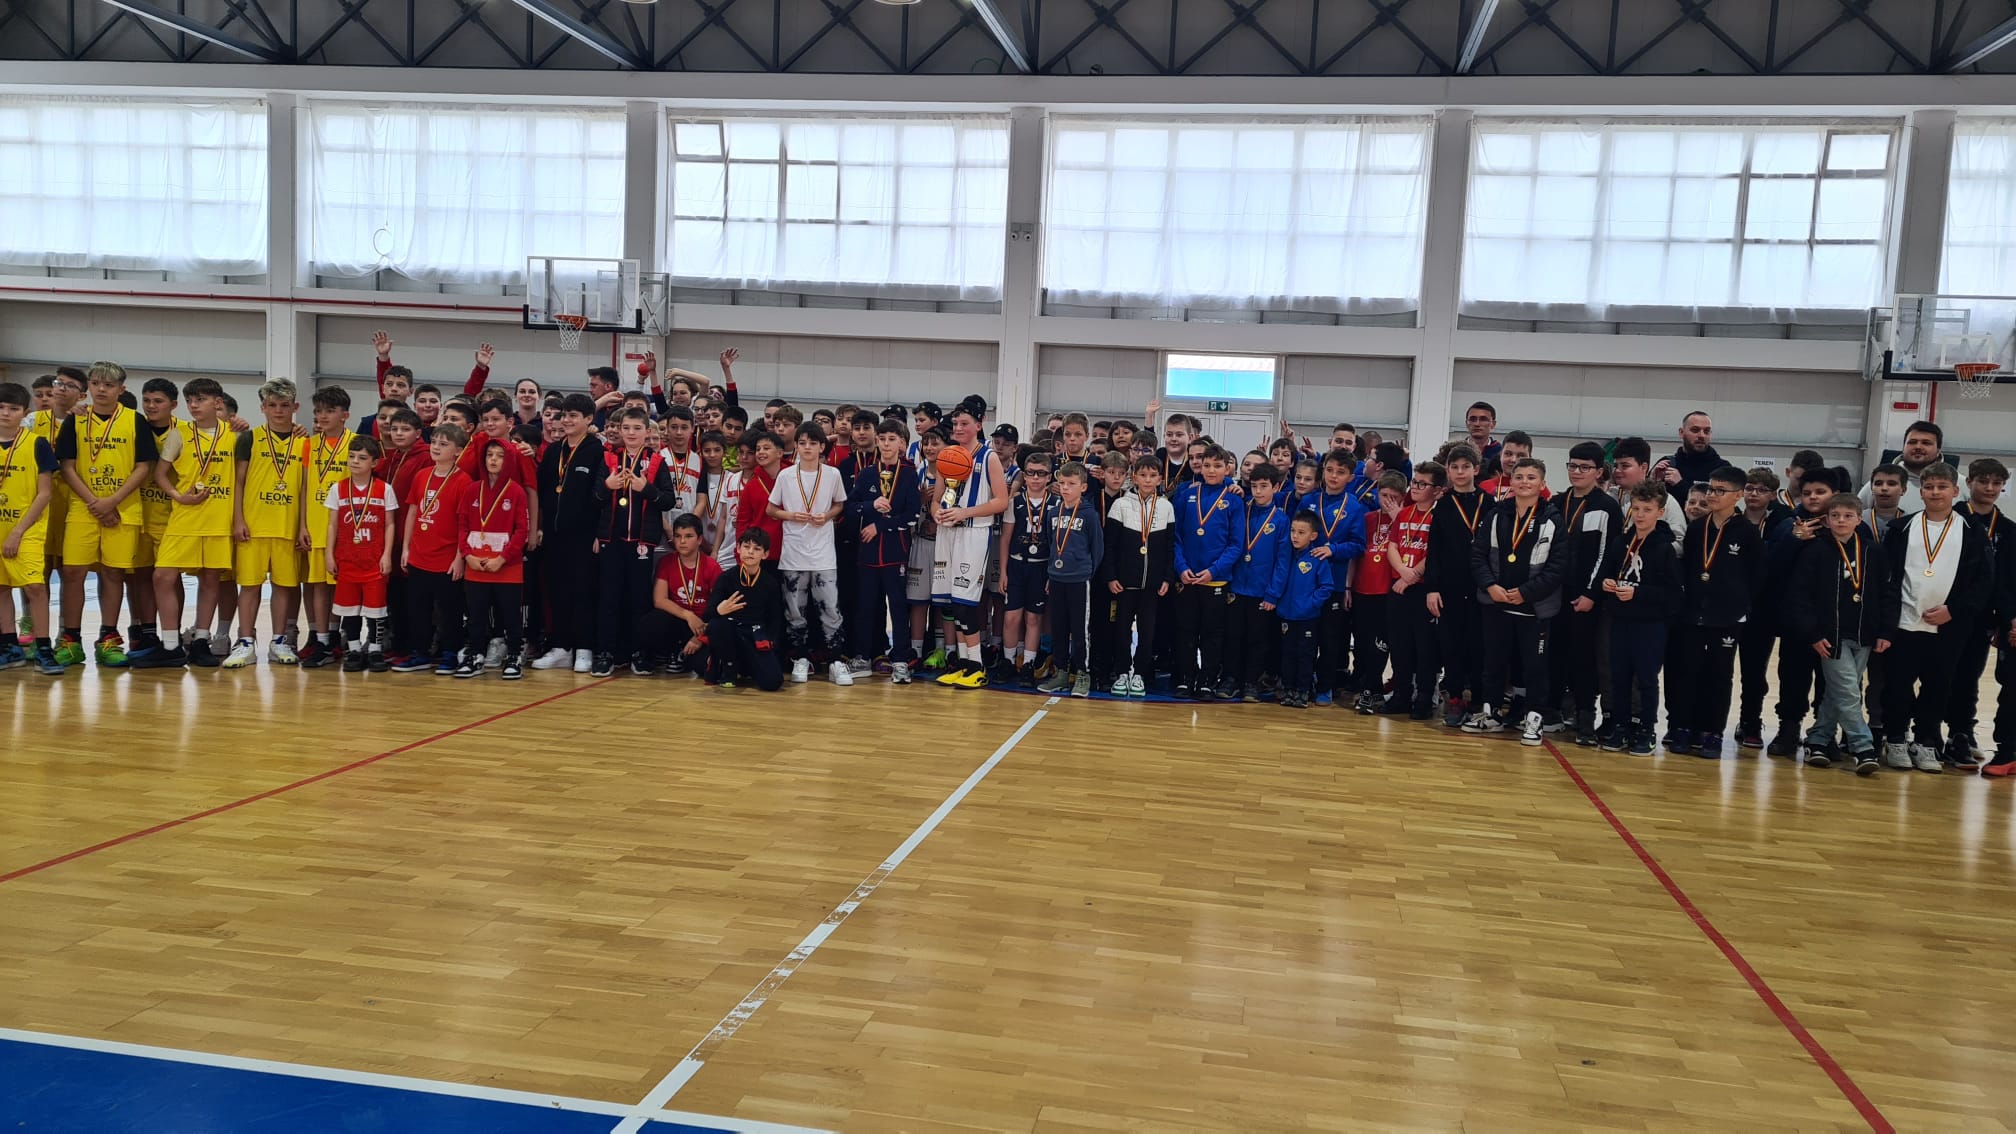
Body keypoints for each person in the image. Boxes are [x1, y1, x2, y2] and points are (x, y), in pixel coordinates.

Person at [1879, 462, 1992, 773]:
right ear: (1921, 492)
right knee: (1898, 685)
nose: (1935, 492)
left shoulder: (1972, 531)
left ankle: (1926, 741)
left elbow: (1984, 582)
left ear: (1955, 491)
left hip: (1948, 626)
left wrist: (1953, 610)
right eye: (1929, 487)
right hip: (1904, 622)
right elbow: (1887, 578)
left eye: (1942, 487)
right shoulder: (1902, 528)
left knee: (1938, 686)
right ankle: (1896, 738)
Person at [54, 361, 156, 668]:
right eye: (96, 383)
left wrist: (111, 501)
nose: (101, 389)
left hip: (123, 509)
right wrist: (95, 503)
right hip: (83, 508)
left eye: (109, 385)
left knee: (113, 574)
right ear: (88, 386)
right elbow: (67, 466)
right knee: (73, 573)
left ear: (121, 389)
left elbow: (144, 466)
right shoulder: (76, 420)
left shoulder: (135, 421)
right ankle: (71, 640)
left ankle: (108, 638)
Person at [1785, 493, 1894, 775]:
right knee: (1847, 690)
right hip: (1830, 635)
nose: (1841, 521)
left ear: (1859, 519)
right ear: (1827, 520)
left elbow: (1887, 594)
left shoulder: (1873, 552)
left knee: (1841, 690)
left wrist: (1886, 630)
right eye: (1835, 516)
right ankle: (1863, 747)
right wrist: (1812, 633)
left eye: (1848, 516)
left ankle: (1818, 739)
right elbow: (1799, 596)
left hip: (1865, 633)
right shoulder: (1815, 551)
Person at [1463, 457, 1564, 744]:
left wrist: (1526, 593)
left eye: (1531, 477)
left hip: (1534, 607)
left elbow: (1558, 567)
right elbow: (1478, 555)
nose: (1524, 482)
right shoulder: (1497, 514)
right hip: (1497, 603)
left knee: (1535, 667)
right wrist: (1490, 586)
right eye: (1519, 477)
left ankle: (1534, 718)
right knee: (1493, 662)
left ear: (1542, 484)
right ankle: (1491, 713)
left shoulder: (1553, 519)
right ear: (1511, 482)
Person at [1667, 466, 1765, 759]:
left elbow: (1756, 576)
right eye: (1711, 488)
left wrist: (1740, 607)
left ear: (1738, 495)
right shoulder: (1697, 528)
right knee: (1688, 671)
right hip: (1693, 613)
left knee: (1720, 675)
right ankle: (1683, 727)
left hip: (1727, 617)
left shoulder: (1747, 533)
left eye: (1720, 490)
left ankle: (1713, 732)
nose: (1712, 495)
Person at [143, 378, 235, 669]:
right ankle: (171, 645)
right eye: (190, 401)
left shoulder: (235, 434)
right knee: (163, 576)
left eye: (201, 400)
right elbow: (160, 474)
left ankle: (200, 641)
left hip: (219, 517)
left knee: (210, 580)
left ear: (217, 402)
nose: (194, 406)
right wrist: (177, 496)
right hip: (184, 517)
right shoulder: (179, 433)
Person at [1757, 470, 1846, 755]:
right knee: (1793, 676)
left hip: (1835, 620)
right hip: (1796, 619)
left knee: (1830, 680)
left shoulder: (1847, 526)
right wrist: (1795, 540)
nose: (1813, 498)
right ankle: (1788, 729)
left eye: (1820, 492)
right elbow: (1770, 567)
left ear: (1834, 494)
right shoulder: (1789, 525)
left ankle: (1824, 733)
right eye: (1807, 493)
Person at [591, 406, 678, 677]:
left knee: (639, 599)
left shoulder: (656, 462)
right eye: (626, 428)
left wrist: (646, 489)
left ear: (647, 432)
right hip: (611, 540)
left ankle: (640, 653)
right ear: (619, 429)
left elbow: (668, 500)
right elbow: (593, 499)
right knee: (609, 598)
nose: (631, 433)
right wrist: (608, 486)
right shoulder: (608, 459)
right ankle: (606, 653)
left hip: (642, 542)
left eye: (637, 428)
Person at [1600, 484, 1684, 755]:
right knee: (1619, 676)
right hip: (1620, 620)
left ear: (1660, 512)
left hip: (1649, 624)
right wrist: (1608, 584)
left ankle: (1646, 729)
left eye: (1647, 510)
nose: (1640, 515)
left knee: (1646, 679)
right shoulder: (1620, 542)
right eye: (1636, 508)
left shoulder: (1665, 548)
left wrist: (1638, 593)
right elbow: (1608, 573)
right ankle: (1621, 725)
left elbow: (1673, 594)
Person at [1547, 442, 1622, 744]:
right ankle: (1552, 711)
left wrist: (1591, 593)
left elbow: (1607, 556)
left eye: (1584, 467)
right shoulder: (1556, 502)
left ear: (1599, 472)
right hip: (1554, 594)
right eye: (1572, 465)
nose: (1577, 471)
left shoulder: (1607, 507)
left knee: (1583, 658)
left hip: (1587, 596)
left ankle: (1585, 715)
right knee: (1554, 653)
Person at [931, 404, 1010, 688]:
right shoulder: (947, 455)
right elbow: (936, 499)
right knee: (951, 604)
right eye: (955, 424)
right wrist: (937, 513)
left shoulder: (989, 457)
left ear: (979, 424)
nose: (958, 428)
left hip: (974, 532)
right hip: (947, 533)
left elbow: (1002, 501)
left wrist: (964, 512)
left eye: (964, 423)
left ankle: (977, 666)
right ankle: (964, 665)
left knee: (965, 603)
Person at [771, 422, 850, 686]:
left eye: (812, 443)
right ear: (796, 446)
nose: (807, 448)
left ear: (821, 447)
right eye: (802, 443)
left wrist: (826, 516)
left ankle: (836, 660)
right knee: (795, 609)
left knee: (830, 606)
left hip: (823, 552)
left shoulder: (832, 474)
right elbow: (771, 509)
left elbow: (839, 504)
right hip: (793, 552)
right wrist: (790, 515)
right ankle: (801, 658)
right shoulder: (785, 475)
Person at [1946, 458, 2010, 765]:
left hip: (1982, 615)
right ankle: (1924, 732)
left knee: (1970, 675)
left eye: (1996, 483)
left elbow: (2008, 579)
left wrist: (2005, 617)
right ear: (1969, 482)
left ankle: (1961, 731)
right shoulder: (1951, 518)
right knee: (1939, 673)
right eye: (1983, 481)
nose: (1990, 488)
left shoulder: (2008, 529)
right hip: (1946, 611)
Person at [847, 417, 921, 684]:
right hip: (868, 553)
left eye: (892, 439)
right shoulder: (867, 474)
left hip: (895, 552)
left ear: (901, 443)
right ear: (877, 442)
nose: (886, 444)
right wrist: (870, 506)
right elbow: (850, 507)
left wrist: (879, 526)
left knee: (898, 608)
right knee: (866, 606)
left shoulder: (909, 474)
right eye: (882, 439)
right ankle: (863, 657)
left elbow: (912, 515)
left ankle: (900, 660)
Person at [397, 424, 472, 675]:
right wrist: (406, 548)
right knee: (418, 608)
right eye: (435, 442)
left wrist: (460, 557)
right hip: (419, 555)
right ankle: (419, 653)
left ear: (458, 450)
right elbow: (413, 511)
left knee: (449, 610)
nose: (436, 447)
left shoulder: (463, 481)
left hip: (446, 558)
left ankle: (451, 653)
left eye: (444, 444)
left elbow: (465, 523)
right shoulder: (422, 475)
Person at [0, 381, 63, 675]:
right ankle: (9, 647)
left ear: (25, 413)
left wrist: (17, 531)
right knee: (1, 587)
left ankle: (44, 649)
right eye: (1, 407)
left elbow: (45, 494)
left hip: (27, 528)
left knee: (35, 587)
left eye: (13, 408)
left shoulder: (36, 444)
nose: (5, 413)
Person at [453, 436, 528, 679]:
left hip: (506, 566)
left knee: (510, 614)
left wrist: (503, 558)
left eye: (500, 456)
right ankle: (475, 655)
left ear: (509, 461)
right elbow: (462, 525)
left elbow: (522, 531)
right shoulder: (472, 489)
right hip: (476, 564)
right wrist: (467, 555)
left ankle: (514, 655)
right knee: (476, 615)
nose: (493, 460)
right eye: (489, 455)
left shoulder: (516, 491)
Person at [322, 436, 398, 673]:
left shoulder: (384, 489)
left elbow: (390, 524)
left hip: (374, 560)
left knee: (375, 610)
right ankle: (354, 649)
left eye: (362, 458)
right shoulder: (338, 488)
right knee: (350, 609)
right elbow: (332, 524)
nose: (355, 461)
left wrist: (387, 555)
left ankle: (374, 649)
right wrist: (329, 554)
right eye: (352, 456)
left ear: (374, 463)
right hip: (347, 559)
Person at [1100, 456, 1174, 697]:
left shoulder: (1166, 507)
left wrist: (1167, 577)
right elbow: (1110, 545)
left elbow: (1169, 547)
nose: (1147, 480)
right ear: (1134, 478)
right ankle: (1122, 671)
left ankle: (1140, 673)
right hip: (1124, 583)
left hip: (1152, 584)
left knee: (1147, 631)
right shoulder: (1121, 505)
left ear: (1160, 479)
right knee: (1122, 630)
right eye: (1143, 475)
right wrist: (1111, 576)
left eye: (1152, 476)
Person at [1171, 445, 1241, 699]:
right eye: (1207, 465)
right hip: (1187, 578)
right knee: (1185, 631)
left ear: (1227, 469)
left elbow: (1236, 544)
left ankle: (1207, 680)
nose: (1211, 470)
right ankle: (1185, 677)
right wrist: (1181, 567)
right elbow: (1175, 537)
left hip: (1215, 580)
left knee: (1212, 634)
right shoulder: (1186, 495)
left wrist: (1214, 570)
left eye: (1217, 466)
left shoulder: (1234, 500)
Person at [1428, 443, 1491, 726]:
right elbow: (1434, 550)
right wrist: (1432, 588)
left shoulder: (1490, 503)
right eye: (1455, 467)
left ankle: (1478, 698)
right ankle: (1454, 697)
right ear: (1448, 470)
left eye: (1466, 467)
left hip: (1481, 585)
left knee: (1478, 644)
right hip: (1449, 586)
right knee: (1451, 643)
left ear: (1476, 469)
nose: (1460, 472)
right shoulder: (1442, 505)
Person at [1036, 459, 1105, 699]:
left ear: (1083, 487)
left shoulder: (1089, 515)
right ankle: (1062, 672)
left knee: (1079, 629)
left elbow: (1097, 548)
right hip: (1056, 578)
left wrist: (1086, 572)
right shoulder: (1052, 513)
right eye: (1062, 483)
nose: (1065, 488)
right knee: (1059, 627)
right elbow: (1051, 545)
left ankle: (1083, 673)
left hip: (1079, 579)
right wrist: (1050, 573)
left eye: (1071, 483)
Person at [297, 385, 355, 668]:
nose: (322, 416)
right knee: (319, 585)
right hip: (316, 525)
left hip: (345, 527)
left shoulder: (357, 443)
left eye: (329, 411)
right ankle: (321, 639)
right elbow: (305, 487)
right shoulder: (309, 443)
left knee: (341, 586)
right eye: (318, 411)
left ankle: (336, 636)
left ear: (345, 415)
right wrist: (302, 525)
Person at [1225, 463, 1289, 704]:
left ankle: (1251, 682)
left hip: (1262, 591)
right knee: (1233, 636)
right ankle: (1231, 679)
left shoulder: (1281, 520)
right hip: (1236, 586)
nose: (1258, 491)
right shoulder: (1241, 510)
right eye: (1254, 486)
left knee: (1258, 639)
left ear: (1276, 487)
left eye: (1264, 486)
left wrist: (1273, 593)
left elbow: (1283, 561)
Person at [1383, 461, 1443, 719]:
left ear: (1437, 490)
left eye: (1422, 483)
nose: (1415, 487)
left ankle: (1424, 698)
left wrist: (1412, 576)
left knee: (1425, 648)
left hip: (1422, 589)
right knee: (1400, 645)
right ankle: (1401, 695)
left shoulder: (1440, 516)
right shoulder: (1404, 513)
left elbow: (1436, 552)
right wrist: (1401, 570)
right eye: (1414, 482)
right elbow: (1392, 546)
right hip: (1399, 587)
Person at [1309, 448, 1368, 705]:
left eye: (1340, 472)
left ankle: (1325, 686)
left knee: (1330, 638)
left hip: (1334, 581)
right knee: (1305, 635)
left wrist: (1333, 549)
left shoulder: (1354, 507)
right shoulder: (1309, 501)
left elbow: (1358, 545)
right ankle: (1303, 683)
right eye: (1330, 470)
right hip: (1306, 580)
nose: (1333, 476)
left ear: (1350, 478)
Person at [995, 449, 1054, 689]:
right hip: (1017, 564)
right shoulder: (1015, 502)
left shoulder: (1056, 504)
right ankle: (1008, 661)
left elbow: (1058, 543)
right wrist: (1003, 571)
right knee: (1011, 617)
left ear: (1049, 477)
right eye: (1031, 473)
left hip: (1041, 567)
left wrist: (1052, 574)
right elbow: (1006, 539)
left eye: (1041, 473)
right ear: (1025, 476)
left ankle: (1028, 663)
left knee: (1033, 617)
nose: (1036, 478)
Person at [1348, 472, 1406, 713]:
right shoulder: (1368, 518)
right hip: (1362, 589)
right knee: (1362, 642)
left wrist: (1397, 519)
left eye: (1394, 497)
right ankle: (1366, 686)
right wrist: (1348, 587)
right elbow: (1355, 554)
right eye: (1384, 495)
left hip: (1388, 591)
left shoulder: (1406, 519)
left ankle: (1374, 689)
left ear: (1403, 497)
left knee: (1380, 643)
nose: (1388, 501)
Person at [705, 528, 786, 691]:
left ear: (765, 554)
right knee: (717, 625)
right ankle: (728, 667)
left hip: (755, 634)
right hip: (731, 632)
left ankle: (745, 666)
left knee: (773, 682)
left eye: (757, 548)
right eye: (746, 547)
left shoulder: (770, 582)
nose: (750, 552)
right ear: (738, 548)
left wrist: (771, 643)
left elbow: (775, 618)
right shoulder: (726, 578)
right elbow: (707, 614)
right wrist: (720, 610)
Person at [639, 512, 721, 674]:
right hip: (679, 619)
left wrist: (700, 636)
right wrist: (688, 615)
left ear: (699, 539)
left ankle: (686, 656)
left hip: (703, 624)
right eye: (678, 536)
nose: (682, 541)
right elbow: (659, 600)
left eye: (688, 536)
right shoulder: (666, 562)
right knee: (651, 622)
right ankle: (670, 652)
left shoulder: (712, 566)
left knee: (703, 667)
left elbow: (717, 607)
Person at [1274, 511, 1334, 709]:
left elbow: (1326, 587)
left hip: (1307, 617)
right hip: (1286, 615)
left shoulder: (1317, 558)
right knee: (1287, 654)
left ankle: (1303, 690)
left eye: (1301, 532)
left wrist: (1310, 604)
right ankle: (1288, 688)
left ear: (1313, 536)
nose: (1295, 536)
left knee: (1305, 655)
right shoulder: (1286, 555)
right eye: (1292, 531)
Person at [1860, 421, 1945, 514]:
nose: (1918, 447)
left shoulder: (1954, 483)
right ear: (1903, 447)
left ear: (1938, 451)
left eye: (1926, 443)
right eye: (1912, 442)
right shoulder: (1879, 483)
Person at [1658, 411, 1724, 492]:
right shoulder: (1667, 464)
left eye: (1706, 431)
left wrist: (1680, 484)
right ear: (1681, 432)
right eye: (1695, 430)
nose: (1701, 435)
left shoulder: (1722, 469)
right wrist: (1652, 479)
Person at [1460, 402, 1500, 475]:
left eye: (1483, 419)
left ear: (1493, 424)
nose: (1477, 424)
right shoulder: (1454, 450)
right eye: (1473, 419)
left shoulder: (1500, 452)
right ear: (1466, 423)